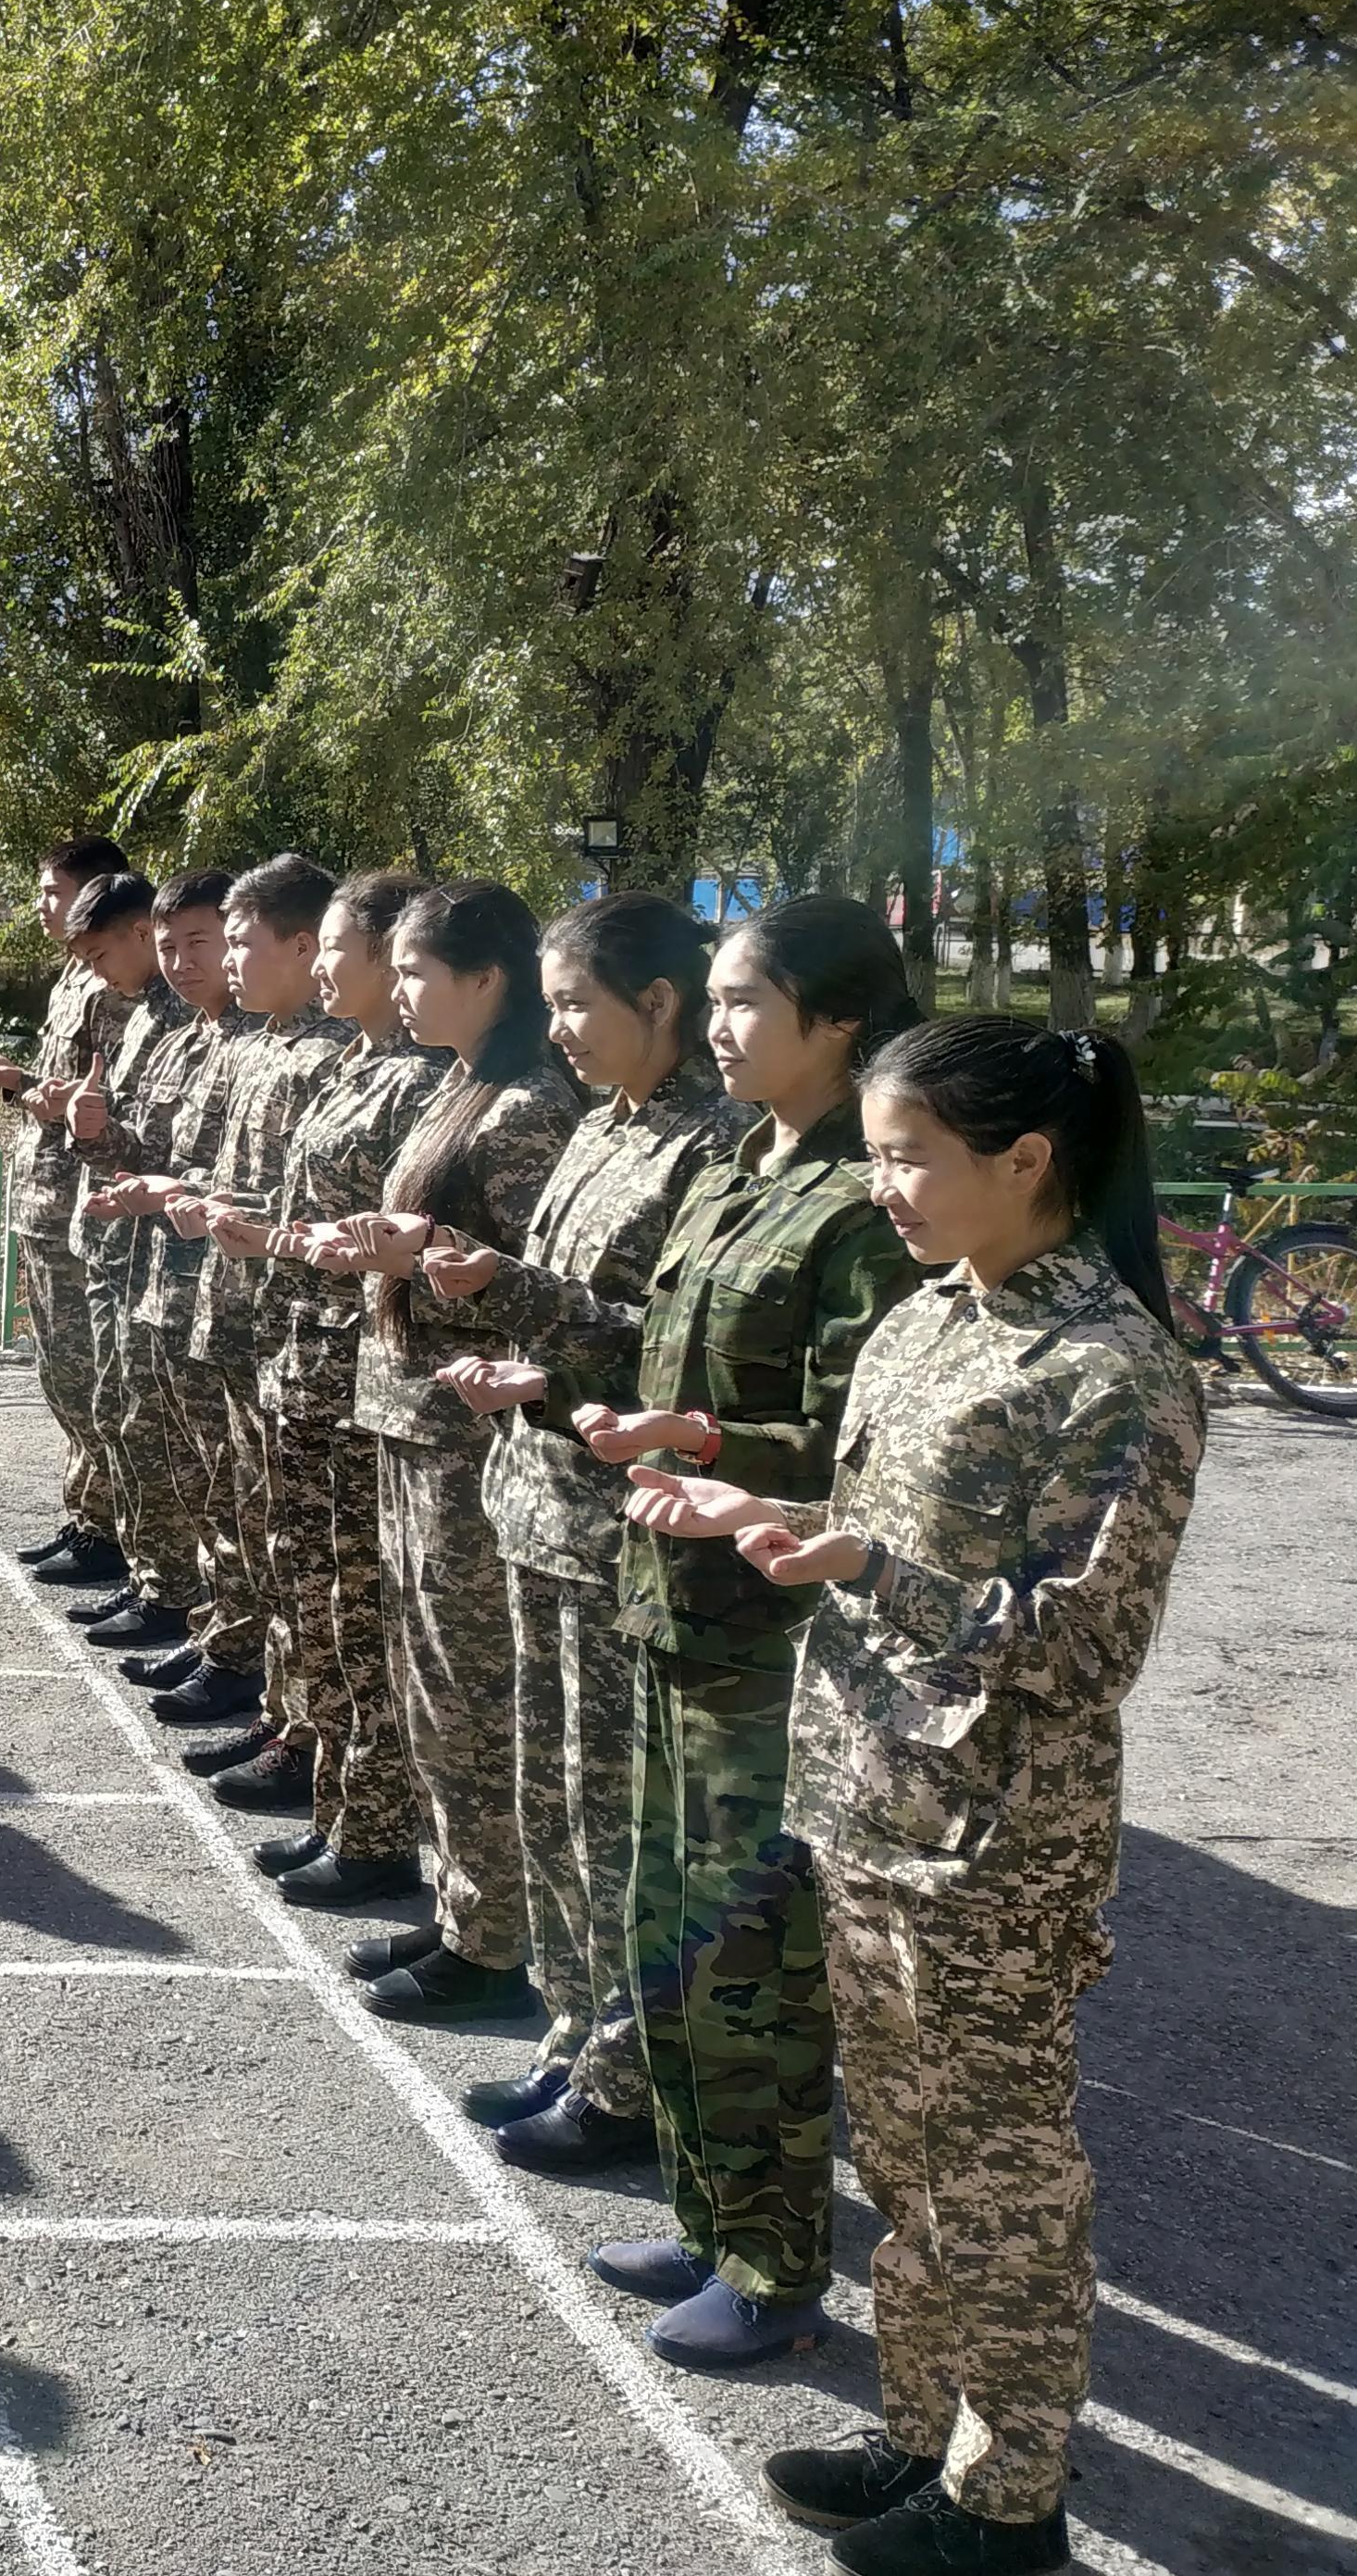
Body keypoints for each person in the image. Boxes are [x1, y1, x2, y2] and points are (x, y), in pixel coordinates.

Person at [635, 1018, 1201, 2576]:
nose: (882, 1187)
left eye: (907, 1159)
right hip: (869, 1804)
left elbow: (1088, 1642)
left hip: (993, 1851)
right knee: (900, 2161)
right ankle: (918, 2435)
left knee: (997, 2178)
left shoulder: (1115, 1370)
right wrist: (771, 1509)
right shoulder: (933, 1320)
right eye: (876, 1154)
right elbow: (884, 1513)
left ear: (1024, 1162)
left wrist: (873, 1566)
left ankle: (1009, 2502)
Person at [567, 894, 927, 2369]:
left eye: (743, 1003)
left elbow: (862, 1439)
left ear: (837, 1025)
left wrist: (706, 1437)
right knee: (668, 1928)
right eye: (709, 1000)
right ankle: (708, 2213)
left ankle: (776, 2262)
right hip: (674, 1606)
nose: (716, 1028)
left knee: (750, 1956)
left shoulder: (872, 1204)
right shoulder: (735, 1166)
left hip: (770, 1637)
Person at [412, 891, 745, 2174]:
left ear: (658, 1002)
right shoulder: (607, 1127)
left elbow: (663, 1344)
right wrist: (518, 1346)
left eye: (577, 1006)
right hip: (538, 1499)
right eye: (549, 1004)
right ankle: (571, 2031)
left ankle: (627, 2078)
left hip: (619, 1523)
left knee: (613, 1820)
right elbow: (577, 1320)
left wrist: (514, 1301)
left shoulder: (707, 1150)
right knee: (549, 1797)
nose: (560, 1031)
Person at [316, 880, 580, 2027]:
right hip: (413, 1414)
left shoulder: (526, 1106)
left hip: (468, 1431)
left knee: (472, 1691)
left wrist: (431, 1257)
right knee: (426, 1679)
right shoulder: (462, 1085)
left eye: (420, 970)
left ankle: (491, 1939)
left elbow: (538, 1287)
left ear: (488, 981)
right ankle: (457, 1898)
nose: (402, 987)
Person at [237, 869, 449, 1902]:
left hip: (363, 1373)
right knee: (315, 1587)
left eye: (336, 947)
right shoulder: (361, 1069)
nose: (324, 966)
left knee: (357, 1609)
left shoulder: (422, 1086)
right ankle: (333, 1796)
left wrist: (323, 1246)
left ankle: (371, 1828)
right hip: (311, 1357)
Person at [153, 854, 355, 1787]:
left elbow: (308, 1208)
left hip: (289, 1325)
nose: (226, 963)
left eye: (239, 943)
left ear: (305, 947)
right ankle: (274, 1700)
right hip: (240, 1315)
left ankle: (298, 1725)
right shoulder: (265, 1046)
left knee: (297, 1543)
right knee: (248, 1513)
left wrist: (233, 1221)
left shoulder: (328, 1060)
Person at [0, 834, 139, 1585]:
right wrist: (19, 1083)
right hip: (46, 1198)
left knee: (90, 1374)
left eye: (52, 893)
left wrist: (41, 1092)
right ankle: (86, 1513)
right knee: (63, 1373)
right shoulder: (75, 977)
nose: (42, 907)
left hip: (87, 1196)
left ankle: (109, 1528)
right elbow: (62, 1088)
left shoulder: (116, 986)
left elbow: (108, 1097)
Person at [73, 869, 233, 1624]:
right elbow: (153, 1150)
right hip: (153, 1272)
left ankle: (192, 1609)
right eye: (171, 946)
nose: (181, 961)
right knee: (144, 1428)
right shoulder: (180, 1034)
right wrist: (95, 1133)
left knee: (216, 1475)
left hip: (219, 1292)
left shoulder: (252, 1043)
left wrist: (169, 1188)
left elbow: (240, 1180)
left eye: (198, 942)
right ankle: (164, 1588)